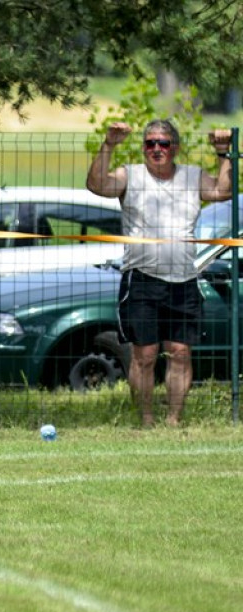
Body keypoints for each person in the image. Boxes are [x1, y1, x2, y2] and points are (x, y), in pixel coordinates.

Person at [86, 120, 232, 427]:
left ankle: (174, 420)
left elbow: (222, 191)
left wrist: (223, 153)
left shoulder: (192, 176)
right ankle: (147, 419)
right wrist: (109, 144)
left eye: (163, 144)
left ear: (174, 148)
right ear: (143, 148)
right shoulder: (131, 175)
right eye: (150, 143)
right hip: (141, 277)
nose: (156, 149)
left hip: (183, 279)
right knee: (145, 355)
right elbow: (97, 185)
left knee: (179, 352)